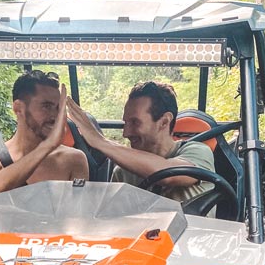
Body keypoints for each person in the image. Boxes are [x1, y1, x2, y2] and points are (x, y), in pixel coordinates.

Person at [66, 81, 215, 202]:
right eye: (125, 123)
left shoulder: (198, 151)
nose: (126, 133)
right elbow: (114, 219)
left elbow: (171, 174)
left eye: (135, 122)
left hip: (191, 238)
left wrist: (101, 142)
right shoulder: (123, 172)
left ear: (164, 121)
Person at [0, 70, 88, 197]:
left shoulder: (73, 159)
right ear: (18, 108)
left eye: (58, 108)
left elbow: (77, 210)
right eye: (46, 106)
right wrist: (48, 145)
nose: (55, 116)